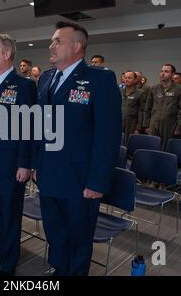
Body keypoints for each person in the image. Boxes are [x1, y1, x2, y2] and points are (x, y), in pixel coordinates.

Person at [33, 21, 121, 276]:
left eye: (58, 41)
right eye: (52, 41)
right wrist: (37, 163)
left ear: (78, 46)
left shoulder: (100, 79)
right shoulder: (47, 79)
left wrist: (97, 181)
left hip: (80, 179)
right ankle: (60, 269)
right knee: (55, 232)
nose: (51, 45)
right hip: (48, 174)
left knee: (79, 237)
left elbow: (108, 136)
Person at [0, 34, 36, 276]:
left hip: (12, 165)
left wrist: (25, 163)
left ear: (7, 54)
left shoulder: (24, 86)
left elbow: (29, 128)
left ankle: (9, 263)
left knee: (10, 215)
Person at [143, 64, 181, 149]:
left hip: (170, 124)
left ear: (172, 74)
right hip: (154, 124)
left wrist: (179, 127)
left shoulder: (179, 89)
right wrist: (146, 125)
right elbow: (147, 107)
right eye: (162, 71)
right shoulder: (154, 88)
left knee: (166, 149)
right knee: (152, 147)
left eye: (166, 71)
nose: (163, 73)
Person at [121, 71, 144, 145]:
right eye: (125, 78)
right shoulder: (119, 91)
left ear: (135, 80)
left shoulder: (140, 93)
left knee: (128, 143)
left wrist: (138, 127)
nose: (127, 79)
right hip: (119, 121)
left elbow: (142, 111)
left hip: (132, 123)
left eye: (129, 78)